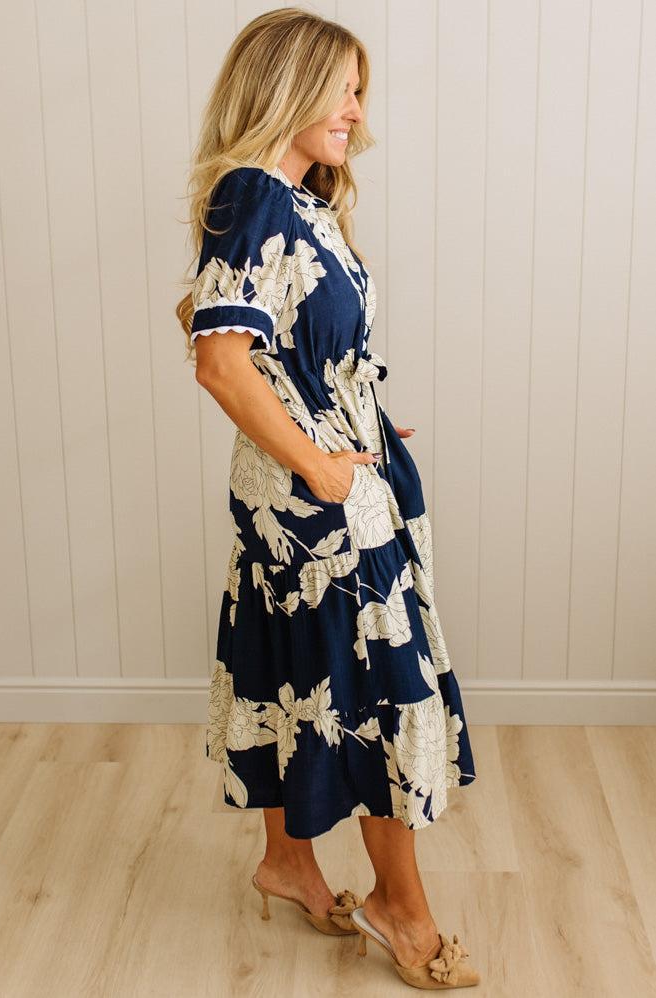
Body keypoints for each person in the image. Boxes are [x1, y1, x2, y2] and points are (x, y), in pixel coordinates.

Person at [176, 7, 479, 990]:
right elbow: (219, 360)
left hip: (318, 492)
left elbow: (216, 314)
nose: (355, 109)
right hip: (316, 508)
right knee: (373, 699)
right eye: (342, 88)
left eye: (358, 90)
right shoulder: (257, 194)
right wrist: (316, 458)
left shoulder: (290, 199)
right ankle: (403, 907)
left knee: (292, 676)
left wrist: (346, 412)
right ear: (288, 86)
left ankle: (289, 860)